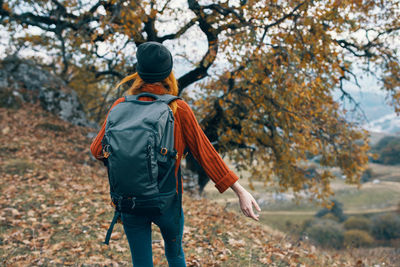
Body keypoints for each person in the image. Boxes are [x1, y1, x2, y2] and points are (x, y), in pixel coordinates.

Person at [90, 41, 261, 267]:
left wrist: (129, 159)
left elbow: (97, 150)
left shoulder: (119, 106)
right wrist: (239, 190)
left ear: (138, 73)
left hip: (129, 201)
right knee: (175, 254)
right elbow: (205, 153)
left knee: (141, 262)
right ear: (169, 74)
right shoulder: (178, 108)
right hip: (167, 203)